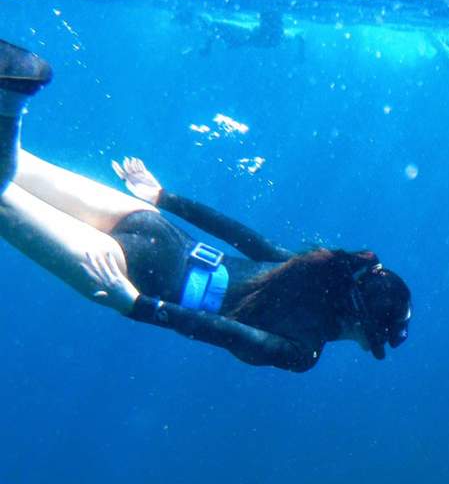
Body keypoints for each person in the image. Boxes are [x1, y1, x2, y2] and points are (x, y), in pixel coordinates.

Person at [0, 42, 411, 372]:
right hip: (134, 275)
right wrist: (139, 305)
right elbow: (223, 332)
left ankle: (13, 91)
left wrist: (164, 198)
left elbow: (242, 234)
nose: (362, 346)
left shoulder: (308, 268)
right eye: (370, 340)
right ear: (362, 322)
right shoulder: (304, 351)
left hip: (159, 229)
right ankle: (12, 101)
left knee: (20, 162)